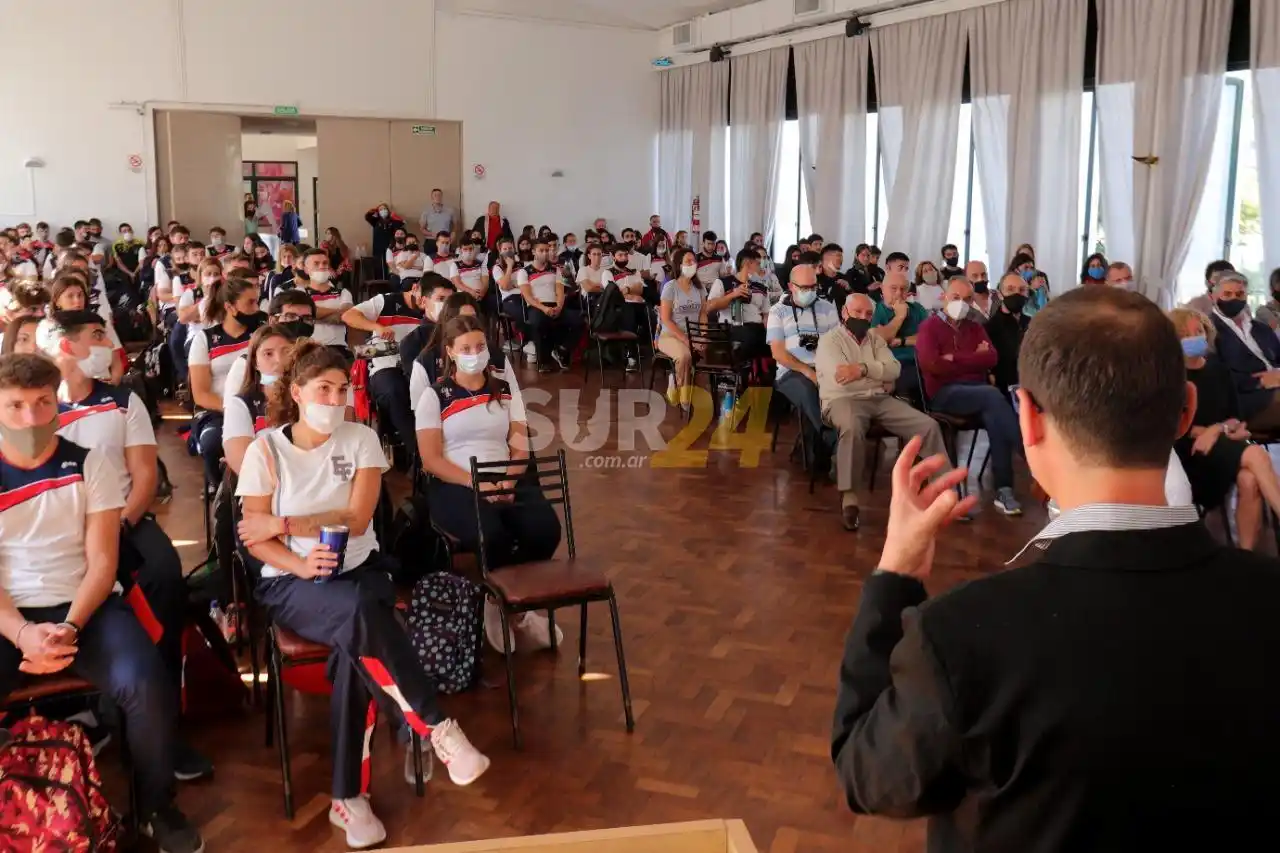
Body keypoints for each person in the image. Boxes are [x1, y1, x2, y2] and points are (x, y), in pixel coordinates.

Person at [832, 286, 1280, 852]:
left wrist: (895, 574)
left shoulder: (961, 637)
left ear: (1027, 417)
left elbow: (867, 776)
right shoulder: (1268, 599)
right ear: (1185, 409)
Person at [237, 340, 490, 849]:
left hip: (361, 568)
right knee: (360, 614)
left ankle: (347, 798)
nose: (333, 399)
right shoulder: (265, 450)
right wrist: (300, 560)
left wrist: (288, 521)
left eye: (341, 389)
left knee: (355, 641)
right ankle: (435, 726)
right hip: (291, 582)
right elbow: (254, 538)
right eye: (322, 389)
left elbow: (355, 522)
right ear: (297, 391)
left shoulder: (361, 440)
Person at [0, 353, 205, 853]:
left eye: (43, 403)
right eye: (15, 406)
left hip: (82, 608)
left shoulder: (89, 463)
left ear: (58, 404)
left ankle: (155, 804)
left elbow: (102, 561)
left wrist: (68, 627)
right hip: (9, 616)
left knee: (144, 679)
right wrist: (22, 632)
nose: (31, 418)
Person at [416, 315, 561, 653]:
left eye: (480, 346)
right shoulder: (435, 396)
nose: (475, 353)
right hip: (455, 482)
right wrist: (476, 484)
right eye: (465, 348)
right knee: (490, 532)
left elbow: (520, 445)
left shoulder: (506, 390)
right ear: (450, 352)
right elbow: (431, 459)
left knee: (545, 529)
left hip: (503, 476)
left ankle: (505, 600)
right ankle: (505, 604)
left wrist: (509, 480)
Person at [817, 293, 951, 532]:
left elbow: (895, 370)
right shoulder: (829, 341)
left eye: (868, 314)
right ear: (844, 313)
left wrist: (862, 370)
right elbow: (840, 381)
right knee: (852, 427)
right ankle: (850, 499)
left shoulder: (875, 340)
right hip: (841, 401)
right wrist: (878, 378)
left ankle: (943, 492)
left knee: (927, 426)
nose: (863, 317)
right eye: (857, 312)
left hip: (879, 400)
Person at [1168, 308, 1280, 550]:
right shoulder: (1170, 376)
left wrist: (1215, 430)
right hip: (1191, 452)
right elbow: (1180, 429)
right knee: (1255, 454)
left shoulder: (1218, 369)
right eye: (1186, 334)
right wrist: (1214, 431)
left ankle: (1245, 555)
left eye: (1198, 331)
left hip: (1221, 443)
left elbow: (1235, 418)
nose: (1194, 337)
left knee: (1249, 480)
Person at [916, 277, 1022, 515]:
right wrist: (973, 359)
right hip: (944, 393)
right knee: (993, 396)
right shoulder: (929, 327)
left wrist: (954, 358)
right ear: (944, 297)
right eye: (956, 298)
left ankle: (1004, 489)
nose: (961, 303)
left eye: (967, 299)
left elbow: (991, 358)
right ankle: (1030, 457)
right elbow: (931, 365)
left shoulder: (974, 327)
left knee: (995, 414)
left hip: (977, 392)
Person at [340, 277, 428, 454]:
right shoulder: (386, 301)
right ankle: (419, 454)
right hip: (385, 365)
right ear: (415, 288)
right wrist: (377, 326)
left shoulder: (431, 313)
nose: (424, 302)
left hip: (419, 365)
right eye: (423, 296)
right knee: (395, 390)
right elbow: (348, 315)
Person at [188, 277, 261, 487]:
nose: (256, 308)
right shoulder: (206, 340)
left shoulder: (260, 335)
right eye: (250, 303)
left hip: (261, 406)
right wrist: (237, 409)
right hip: (218, 411)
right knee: (211, 443)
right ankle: (221, 490)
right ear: (230, 307)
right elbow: (201, 394)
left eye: (257, 301)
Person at [767, 264, 840, 465]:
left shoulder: (827, 307)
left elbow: (838, 343)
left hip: (825, 368)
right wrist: (809, 372)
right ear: (791, 286)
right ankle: (832, 440)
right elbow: (778, 353)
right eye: (804, 288)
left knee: (841, 388)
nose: (810, 292)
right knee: (810, 390)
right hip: (791, 372)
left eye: (813, 287)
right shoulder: (778, 311)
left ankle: (818, 451)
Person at [1207, 271, 1280, 431]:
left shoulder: (1260, 328)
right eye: (1227, 294)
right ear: (1213, 297)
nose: (1234, 298)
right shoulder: (1209, 331)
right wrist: (1261, 381)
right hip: (1245, 401)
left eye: (1240, 294)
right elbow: (1217, 378)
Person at [223, 323, 294, 476]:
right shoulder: (241, 404)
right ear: (255, 362)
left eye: (286, 352)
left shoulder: (308, 398)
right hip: (263, 485)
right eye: (268, 354)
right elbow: (243, 463)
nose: (278, 360)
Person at [517, 237, 577, 373]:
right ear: (534, 252)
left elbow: (560, 291)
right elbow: (528, 296)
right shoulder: (524, 272)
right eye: (541, 250)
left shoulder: (555, 270)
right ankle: (544, 361)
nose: (545, 253)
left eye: (547, 250)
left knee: (578, 320)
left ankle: (562, 348)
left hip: (555, 305)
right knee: (539, 322)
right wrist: (544, 308)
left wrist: (559, 307)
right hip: (537, 306)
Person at [657, 250, 708, 409]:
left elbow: (703, 314)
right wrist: (685, 339)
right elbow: (665, 319)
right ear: (679, 265)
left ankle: (679, 380)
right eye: (688, 261)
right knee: (685, 355)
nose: (692, 264)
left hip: (692, 334)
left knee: (711, 353)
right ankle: (683, 395)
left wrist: (703, 335)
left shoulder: (699, 288)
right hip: (669, 335)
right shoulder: (670, 287)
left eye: (694, 261)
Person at [870, 272, 928, 400]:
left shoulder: (918, 309)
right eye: (893, 288)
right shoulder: (873, 310)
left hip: (922, 363)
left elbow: (928, 338)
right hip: (894, 365)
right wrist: (900, 316)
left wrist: (901, 340)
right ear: (882, 289)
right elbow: (878, 340)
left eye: (903, 289)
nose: (898, 293)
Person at [297, 248, 354, 355]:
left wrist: (314, 319)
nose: (322, 266)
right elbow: (304, 314)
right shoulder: (299, 292)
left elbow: (348, 315)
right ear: (306, 269)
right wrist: (338, 311)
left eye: (325, 263)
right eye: (316, 263)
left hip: (339, 349)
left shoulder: (343, 292)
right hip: (309, 350)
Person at [986, 272, 1031, 395]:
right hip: (1005, 390)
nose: (1017, 293)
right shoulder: (990, 328)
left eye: (1022, 290)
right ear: (1000, 294)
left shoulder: (1033, 323)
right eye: (1010, 289)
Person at [365, 203, 406, 279]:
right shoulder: (375, 221)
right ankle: (380, 286)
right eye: (380, 209)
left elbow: (402, 223)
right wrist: (374, 211)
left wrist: (394, 216)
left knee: (390, 265)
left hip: (390, 247)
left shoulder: (392, 221)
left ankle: (391, 283)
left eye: (385, 209)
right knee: (379, 266)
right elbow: (367, 217)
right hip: (378, 248)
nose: (383, 211)